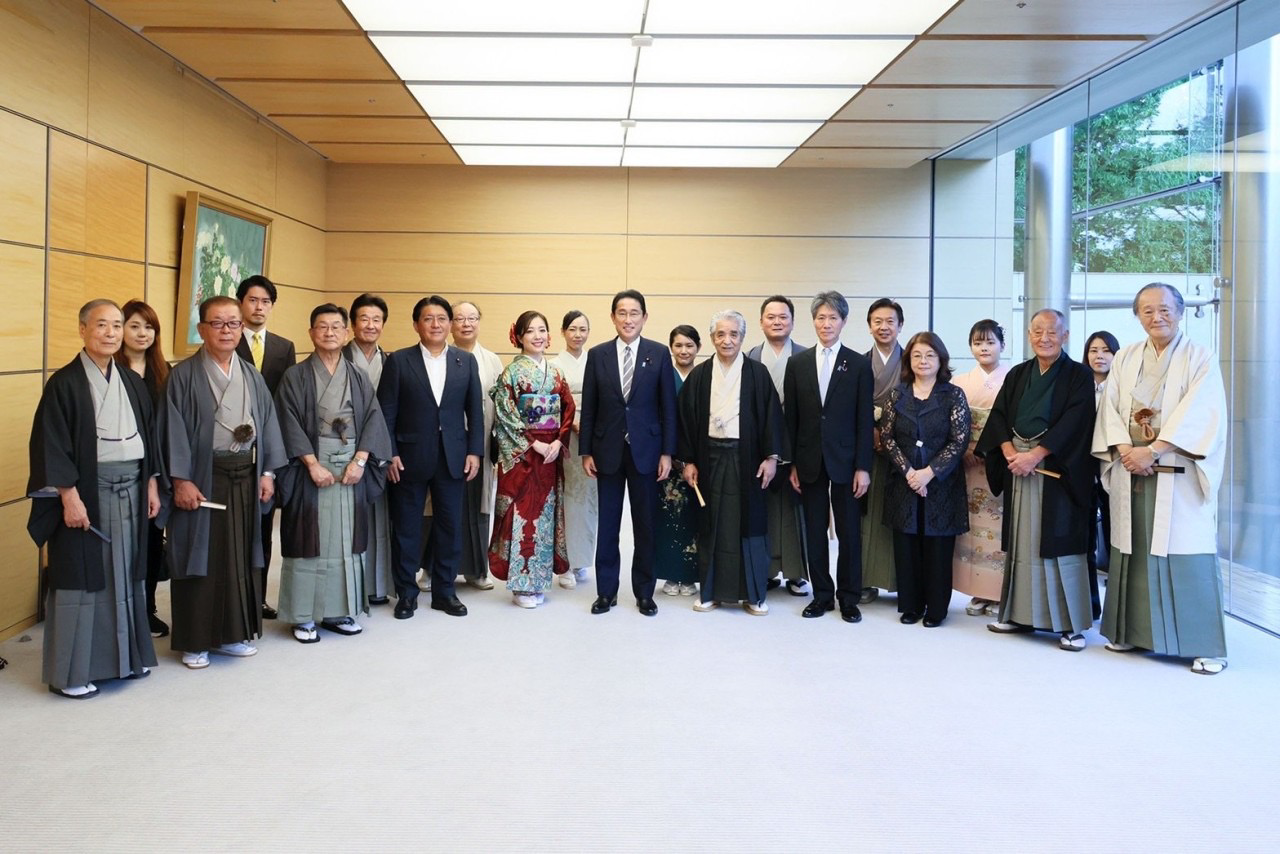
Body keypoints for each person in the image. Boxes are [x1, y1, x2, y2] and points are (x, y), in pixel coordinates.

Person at [28, 300, 161, 698]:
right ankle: (71, 674)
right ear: (82, 329)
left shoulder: (131, 381)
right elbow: (50, 445)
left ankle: (125, 660)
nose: (111, 333)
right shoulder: (65, 383)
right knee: (82, 579)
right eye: (101, 325)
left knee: (126, 574)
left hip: (131, 489)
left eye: (117, 325)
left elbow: (149, 438)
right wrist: (68, 497)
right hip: (87, 492)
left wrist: (151, 484)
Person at [1093, 283, 1228, 675]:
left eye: (1165, 309)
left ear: (1180, 312)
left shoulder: (1200, 357)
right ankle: (1131, 633)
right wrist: (1126, 450)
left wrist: (1152, 451)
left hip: (1175, 469)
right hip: (1131, 467)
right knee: (1131, 546)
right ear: (1137, 316)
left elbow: (1201, 412)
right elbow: (1110, 408)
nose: (1157, 317)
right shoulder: (1126, 357)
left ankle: (1204, 645)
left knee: (1186, 551)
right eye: (1147, 310)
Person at [166, 296, 286, 669]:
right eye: (217, 323)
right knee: (199, 556)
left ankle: (234, 634)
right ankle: (195, 641)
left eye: (233, 323)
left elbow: (268, 423)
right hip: (203, 478)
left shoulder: (250, 374)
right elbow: (171, 431)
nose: (226, 330)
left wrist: (267, 473)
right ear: (201, 329)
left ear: (242, 328)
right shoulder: (183, 375)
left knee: (240, 556)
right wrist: (180, 480)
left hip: (245, 476)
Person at [977, 309, 1096, 651]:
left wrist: (1036, 454)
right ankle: (1019, 615)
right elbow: (999, 416)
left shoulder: (1078, 375)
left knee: (1059, 542)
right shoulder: (1018, 374)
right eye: (1038, 331)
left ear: (1065, 336)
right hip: (1018, 464)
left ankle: (1070, 625)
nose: (1044, 338)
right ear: (1029, 335)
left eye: (1052, 332)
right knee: (1022, 542)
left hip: (1056, 471)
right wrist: (1009, 451)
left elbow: (1076, 421)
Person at [274, 304, 391, 643]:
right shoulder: (295, 376)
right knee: (308, 539)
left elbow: (373, 418)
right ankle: (303, 615)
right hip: (310, 464)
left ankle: (338, 611)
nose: (329, 332)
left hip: (351, 465)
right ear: (311, 332)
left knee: (346, 541)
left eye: (336, 327)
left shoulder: (357, 376)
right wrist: (312, 464)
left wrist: (360, 461)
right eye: (322, 326)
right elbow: (287, 421)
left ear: (345, 332)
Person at [378, 295, 485, 620]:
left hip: (453, 456)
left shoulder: (465, 361)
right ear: (416, 325)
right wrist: (390, 453)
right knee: (407, 527)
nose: (436, 324)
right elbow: (386, 412)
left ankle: (444, 592)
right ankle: (406, 594)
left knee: (450, 526)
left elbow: (475, 412)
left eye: (442, 318)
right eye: (428, 318)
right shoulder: (399, 361)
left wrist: (474, 451)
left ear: (449, 324)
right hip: (409, 457)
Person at [679, 310, 787, 615]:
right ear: (712, 338)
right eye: (721, 334)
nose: (727, 340)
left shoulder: (757, 373)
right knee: (711, 524)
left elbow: (772, 418)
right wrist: (688, 461)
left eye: (733, 334)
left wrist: (772, 458)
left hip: (748, 458)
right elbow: (686, 419)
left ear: (742, 337)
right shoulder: (700, 375)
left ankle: (754, 595)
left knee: (750, 524)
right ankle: (711, 591)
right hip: (709, 457)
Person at [578, 289, 678, 617]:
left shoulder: (658, 353)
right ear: (612, 317)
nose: (628, 319)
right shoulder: (598, 355)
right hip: (606, 451)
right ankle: (606, 592)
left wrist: (667, 453)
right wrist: (586, 451)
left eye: (634, 313)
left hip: (647, 452)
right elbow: (589, 407)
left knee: (645, 525)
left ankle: (644, 592)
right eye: (621, 313)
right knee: (608, 525)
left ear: (644, 317)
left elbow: (668, 407)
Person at [784, 292, 874, 623]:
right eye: (821, 317)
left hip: (847, 462)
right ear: (813, 321)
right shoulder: (798, 363)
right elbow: (791, 419)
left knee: (849, 533)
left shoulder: (859, 364)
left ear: (844, 322)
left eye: (833, 318)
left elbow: (864, 420)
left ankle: (849, 597)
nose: (826, 323)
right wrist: (792, 462)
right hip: (808, 460)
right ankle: (822, 595)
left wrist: (863, 467)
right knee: (815, 530)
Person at [881, 332, 971, 627]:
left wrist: (928, 473)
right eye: (917, 355)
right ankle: (910, 605)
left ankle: (936, 609)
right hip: (903, 481)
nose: (923, 361)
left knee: (938, 547)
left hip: (941, 483)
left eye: (930, 355)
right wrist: (909, 473)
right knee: (906, 545)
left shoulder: (953, 395)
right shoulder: (897, 395)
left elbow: (959, 441)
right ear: (909, 360)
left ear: (941, 360)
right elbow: (887, 438)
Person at [488, 311, 574, 608]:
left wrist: (559, 441)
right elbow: (505, 415)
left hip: (550, 454)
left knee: (545, 513)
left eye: (542, 330)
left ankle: (538, 580)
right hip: (524, 455)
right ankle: (520, 585)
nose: (537, 336)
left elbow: (567, 409)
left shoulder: (556, 373)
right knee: (521, 513)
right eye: (530, 331)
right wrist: (533, 443)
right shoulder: (511, 373)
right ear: (519, 337)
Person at [427, 300, 504, 592]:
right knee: (438, 505)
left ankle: (476, 570)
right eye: (460, 318)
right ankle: (431, 568)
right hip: (442, 442)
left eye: (472, 318)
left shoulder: (492, 361)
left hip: (478, 443)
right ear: (450, 324)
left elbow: (502, 407)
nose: (466, 324)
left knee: (476, 505)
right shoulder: (437, 357)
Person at [234, 274, 297, 621]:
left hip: (269, 450)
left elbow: (286, 402)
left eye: (265, 302)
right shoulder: (226, 340)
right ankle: (234, 597)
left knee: (263, 525)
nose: (259, 307)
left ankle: (257, 598)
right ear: (240, 303)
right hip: (233, 446)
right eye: (253, 300)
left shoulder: (283, 347)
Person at [746, 295, 810, 596]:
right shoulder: (750, 356)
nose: (777, 322)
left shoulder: (805, 356)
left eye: (783, 317)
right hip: (761, 445)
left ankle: (796, 574)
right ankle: (769, 570)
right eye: (770, 317)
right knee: (766, 509)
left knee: (796, 508)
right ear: (761, 322)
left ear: (793, 322)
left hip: (797, 440)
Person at [116, 299, 172, 638]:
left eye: (149, 327)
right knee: (122, 543)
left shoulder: (165, 372)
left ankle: (147, 608)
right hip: (119, 469)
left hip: (156, 469)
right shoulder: (109, 370)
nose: (142, 333)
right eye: (134, 326)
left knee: (152, 541)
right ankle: (120, 609)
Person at [952, 320, 1012, 618]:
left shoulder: (1012, 379)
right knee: (971, 527)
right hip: (967, 463)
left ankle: (999, 592)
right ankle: (976, 590)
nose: (984, 348)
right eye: (978, 343)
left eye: (990, 342)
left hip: (998, 461)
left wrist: (990, 450)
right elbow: (953, 422)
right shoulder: (960, 382)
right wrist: (963, 449)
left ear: (1002, 345)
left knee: (998, 526)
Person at [343, 293, 393, 604]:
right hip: (345, 448)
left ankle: (375, 586)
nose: (371, 325)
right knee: (347, 519)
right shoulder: (339, 358)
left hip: (379, 451)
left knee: (379, 518)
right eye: (364, 319)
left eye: (377, 320)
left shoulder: (390, 361)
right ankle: (347, 587)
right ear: (352, 323)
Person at [861, 297, 905, 603]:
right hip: (867, 446)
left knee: (899, 511)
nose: (884, 326)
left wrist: (889, 431)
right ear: (869, 326)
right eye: (878, 321)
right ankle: (865, 580)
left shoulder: (911, 361)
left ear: (900, 325)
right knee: (866, 514)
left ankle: (901, 581)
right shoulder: (859, 362)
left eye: (890, 321)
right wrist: (871, 430)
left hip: (903, 448)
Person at [551, 310, 597, 589]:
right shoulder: (554, 365)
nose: (578, 335)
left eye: (583, 329)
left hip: (592, 437)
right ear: (563, 332)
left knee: (589, 498)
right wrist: (571, 423)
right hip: (565, 436)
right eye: (572, 329)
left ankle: (581, 560)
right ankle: (564, 563)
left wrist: (591, 425)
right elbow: (550, 404)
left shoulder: (596, 361)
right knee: (566, 496)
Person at [656, 325, 701, 596]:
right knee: (667, 517)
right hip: (667, 459)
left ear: (698, 348)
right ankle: (671, 575)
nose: (684, 351)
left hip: (697, 460)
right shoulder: (663, 376)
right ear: (671, 348)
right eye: (678, 345)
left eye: (689, 345)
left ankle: (691, 576)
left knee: (695, 516)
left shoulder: (705, 376)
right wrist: (668, 454)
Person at [1083, 329, 1120, 616]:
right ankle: (1090, 605)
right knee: (1085, 540)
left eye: (1106, 350)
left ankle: (1117, 609)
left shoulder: (1123, 387)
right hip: (1082, 470)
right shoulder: (1078, 385)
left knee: (1113, 534)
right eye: (1094, 350)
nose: (1100, 356)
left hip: (1114, 468)